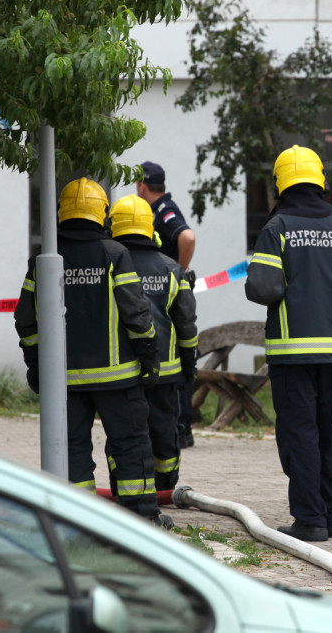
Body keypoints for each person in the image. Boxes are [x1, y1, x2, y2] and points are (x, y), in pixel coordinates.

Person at [14, 177, 172, 528]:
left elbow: (26, 319)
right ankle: (141, 518)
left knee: (70, 451)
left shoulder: (43, 260)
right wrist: (149, 357)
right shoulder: (115, 254)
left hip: (64, 380)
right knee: (131, 446)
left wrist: (37, 365)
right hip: (119, 379)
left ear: (62, 213)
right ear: (101, 213)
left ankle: (78, 522)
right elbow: (136, 313)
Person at [245, 144, 332, 543]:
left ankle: (309, 519)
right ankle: (330, 516)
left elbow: (263, 288)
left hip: (290, 352)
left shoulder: (277, 227)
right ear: (320, 180)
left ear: (281, 181)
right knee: (325, 432)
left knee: (299, 435)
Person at [108, 194, 199, 493]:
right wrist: (189, 367)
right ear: (151, 228)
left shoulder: (110, 267)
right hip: (166, 372)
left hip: (122, 372)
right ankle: (164, 491)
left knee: (124, 435)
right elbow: (186, 323)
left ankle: (127, 490)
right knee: (164, 433)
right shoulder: (171, 269)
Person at [136, 161, 198, 449]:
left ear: (142, 186)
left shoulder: (163, 210)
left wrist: (180, 273)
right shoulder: (155, 209)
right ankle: (176, 425)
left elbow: (187, 237)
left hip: (167, 296)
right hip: (163, 294)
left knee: (176, 355)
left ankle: (182, 427)